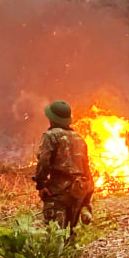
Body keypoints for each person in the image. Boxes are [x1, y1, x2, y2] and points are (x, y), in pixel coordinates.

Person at [33, 100, 95, 233]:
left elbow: (44, 161)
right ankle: (71, 252)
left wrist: (41, 184)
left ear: (52, 119)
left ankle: (59, 253)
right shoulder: (79, 138)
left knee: (56, 233)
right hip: (78, 190)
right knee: (70, 230)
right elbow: (86, 167)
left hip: (58, 190)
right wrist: (87, 197)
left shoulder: (51, 136)